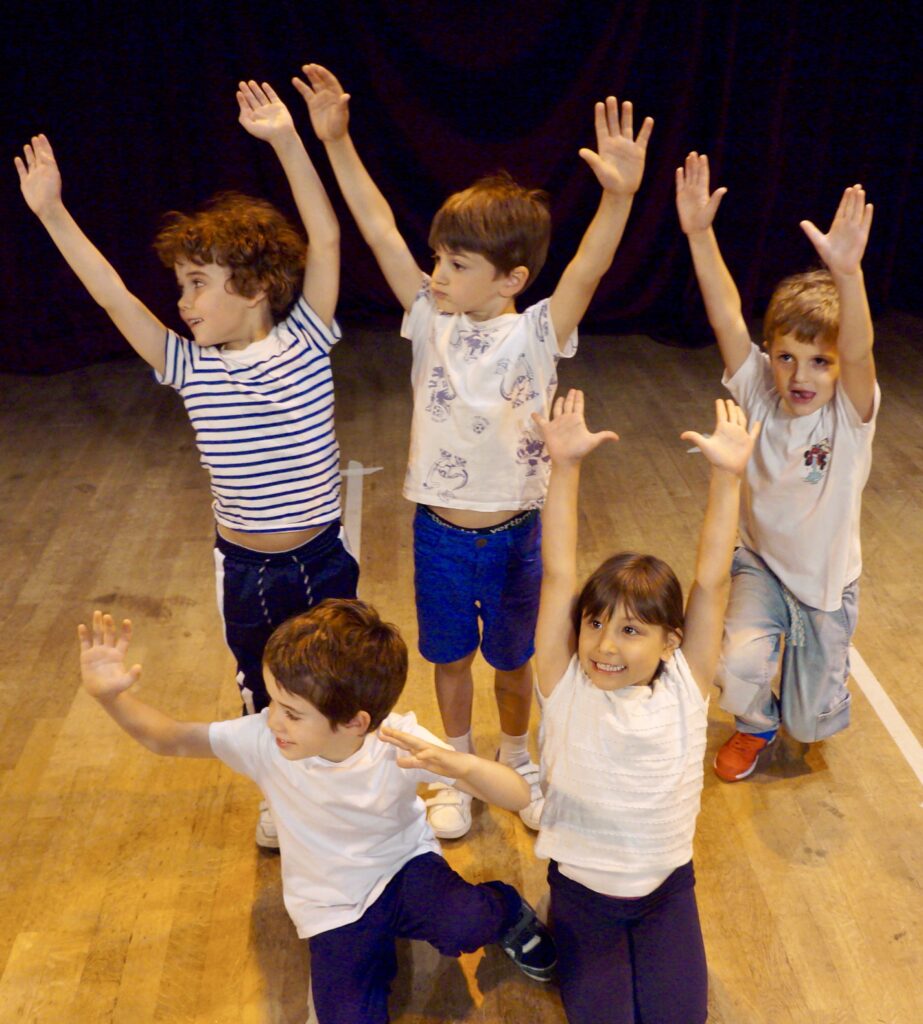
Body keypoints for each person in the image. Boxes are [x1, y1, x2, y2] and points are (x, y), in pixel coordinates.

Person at [294, 62, 654, 838]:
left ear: (511, 278)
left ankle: (517, 757)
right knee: (449, 659)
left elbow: (588, 267)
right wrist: (339, 140)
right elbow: (377, 226)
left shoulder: (537, 333)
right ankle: (456, 765)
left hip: (519, 535)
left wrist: (619, 196)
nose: (437, 273)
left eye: (457, 265)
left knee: (514, 661)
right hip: (442, 536)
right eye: (439, 260)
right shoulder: (430, 318)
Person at [15, 80, 359, 846]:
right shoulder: (187, 365)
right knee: (261, 684)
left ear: (260, 288)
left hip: (321, 558)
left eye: (197, 284)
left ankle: (341, 783)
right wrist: (52, 214)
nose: (182, 301)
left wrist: (287, 141)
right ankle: (279, 790)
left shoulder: (307, 337)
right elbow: (111, 298)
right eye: (180, 285)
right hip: (242, 566)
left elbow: (326, 238)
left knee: (332, 681)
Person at [78, 599, 556, 1024]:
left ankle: (507, 909)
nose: (272, 719)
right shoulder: (265, 740)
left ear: (355, 722)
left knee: (466, 922)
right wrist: (110, 697)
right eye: (272, 701)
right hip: (330, 907)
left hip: (403, 870)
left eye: (290, 711)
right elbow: (171, 738)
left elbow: (516, 794)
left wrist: (459, 763)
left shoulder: (398, 743)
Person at [531, 389, 757, 1023]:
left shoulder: (687, 682)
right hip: (582, 896)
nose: (605, 645)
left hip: (665, 895)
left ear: (671, 641)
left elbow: (713, 579)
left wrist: (727, 476)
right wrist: (565, 467)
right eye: (596, 623)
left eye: (631, 631)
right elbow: (556, 573)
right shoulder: (566, 680)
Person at [676, 153, 878, 781]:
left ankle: (805, 694)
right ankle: (753, 724)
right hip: (760, 563)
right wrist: (700, 235)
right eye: (787, 358)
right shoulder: (761, 389)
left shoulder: (850, 411)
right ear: (770, 357)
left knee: (812, 722)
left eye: (820, 361)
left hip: (824, 585)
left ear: (840, 366)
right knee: (734, 666)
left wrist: (848, 274)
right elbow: (726, 316)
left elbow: (862, 346)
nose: (800, 375)